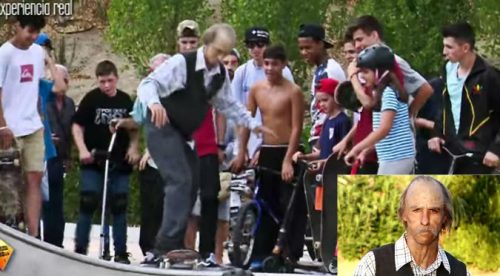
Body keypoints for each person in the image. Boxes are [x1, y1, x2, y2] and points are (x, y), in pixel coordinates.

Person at [137, 23, 274, 266]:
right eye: (218, 51)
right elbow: (148, 84)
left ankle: (174, 246)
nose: (220, 58)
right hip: (161, 126)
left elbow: (228, 105)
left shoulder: (219, 74)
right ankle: (162, 247)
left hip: (182, 134)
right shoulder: (183, 63)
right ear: (207, 44)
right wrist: (155, 104)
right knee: (179, 179)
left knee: (192, 182)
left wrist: (253, 124)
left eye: (225, 53)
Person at [231, 45, 306, 269]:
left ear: (283, 65)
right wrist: (242, 150)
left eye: (275, 64)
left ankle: (288, 254)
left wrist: (288, 159)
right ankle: (262, 253)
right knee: (264, 200)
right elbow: (247, 122)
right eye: (266, 63)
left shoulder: (293, 91)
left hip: (287, 149)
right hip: (267, 150)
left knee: (288, 204)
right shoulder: (256, 89)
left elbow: (296, 128)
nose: (270, 68)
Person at [72, 60, 139, 264]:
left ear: (116, 78)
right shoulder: (91, 99)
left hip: (119, 161)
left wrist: (133, 147)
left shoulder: (125, 100)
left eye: (110, 81)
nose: (106, 86)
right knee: (89, 200)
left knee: (118, 204)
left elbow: (135, 126)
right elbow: (77, 125)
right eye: (102, 82)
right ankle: (80, 250)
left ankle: (120, 252)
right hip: (94, 160)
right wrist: (82, 150)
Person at [185, 49, 242, 264]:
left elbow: (219, 112)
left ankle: (208, 252)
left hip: (210, 147)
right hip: (190, 148)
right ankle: (188, 253)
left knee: (210, 198)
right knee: (191, 206)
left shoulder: (216, 78)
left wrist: (219, 144)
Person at [354, 176, 469, 276]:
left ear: (445, 217)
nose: (425, 221)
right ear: (403, 214)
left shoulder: (460, 272)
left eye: (434, 210)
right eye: (416, 210)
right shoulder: (373, 265)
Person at [428, 22, 500, 174]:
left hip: (479, 153)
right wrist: (436, 134)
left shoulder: (489, 76)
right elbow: (446, 105)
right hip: (451, 149)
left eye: (449, 47)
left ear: (465, 48)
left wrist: (496, 149)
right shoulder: (448, 68)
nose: (444, 52)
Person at [0, 12, 48, 237]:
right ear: (17, 26)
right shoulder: (4, 53)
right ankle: (7, 241)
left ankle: (33, 236)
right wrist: (2, 126)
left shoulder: (37, 52)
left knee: (34, 178)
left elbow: (34, 88)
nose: (33, 36)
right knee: (9, 187)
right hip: (9, 128)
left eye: (37, 32)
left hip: (33, 125)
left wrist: (39, 116)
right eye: (30, 31)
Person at [344, 46, 415, 174]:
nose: (362, 76)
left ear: (379, 72)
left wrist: (357, 149)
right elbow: (387, 134)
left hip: (396, 158)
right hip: (392, 157)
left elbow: (384, 130)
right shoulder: (381, 92)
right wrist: (366, 151)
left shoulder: (389, 92)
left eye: (365, 72)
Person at [345, 15, 433, 117]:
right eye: (355, 41)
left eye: (360, 39)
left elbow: (426, 89)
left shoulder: (393, 61)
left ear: (374, 35)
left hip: (391, 130)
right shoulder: (362, 62)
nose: (356, 45)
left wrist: (408, 115)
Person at [232, 26, 294, 164]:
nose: (255, 49)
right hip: (248, 144)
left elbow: (288, 115)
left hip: (275, 143)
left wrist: (265, 148)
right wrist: (242, 148)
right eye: (251, 45)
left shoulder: (283, 73)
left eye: (260, 44)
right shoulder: (241, 72)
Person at [297, 23, 346, 147]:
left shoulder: (329, 70)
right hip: (320, 136)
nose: (304, 52)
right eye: (301, 48)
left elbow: (333, 110)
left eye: (308, 47)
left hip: (328, 136)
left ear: (320, 44)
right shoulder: (320, 69)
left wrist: (320, 144)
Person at [293, 78, 351, 171]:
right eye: (319, 101)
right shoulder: (327, 120)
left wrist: (324, 162)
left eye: (325, 100)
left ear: (336, 98)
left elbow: (344, 153)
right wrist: (304, 157)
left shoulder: (343, 121)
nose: (321, 104)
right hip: (324, 173)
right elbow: (321, 152)